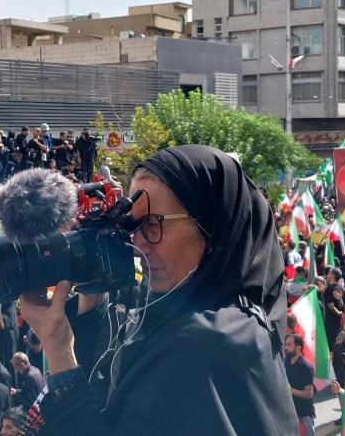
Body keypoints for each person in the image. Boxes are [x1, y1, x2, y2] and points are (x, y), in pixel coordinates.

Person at [15, 145, 296, 433]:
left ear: (213, 226)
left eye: (153, 223)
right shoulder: (185, 320)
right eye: (131, 224)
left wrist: (59, 352)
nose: (137, 245)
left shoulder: (205, 341)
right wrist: (90, 302)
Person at [284, 334, 316, 436]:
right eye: (285, 344)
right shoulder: (286, 361)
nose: (286, 348)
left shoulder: (306, 367)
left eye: (289, 345)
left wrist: (290, 390)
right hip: (289, 411)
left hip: (304, 414)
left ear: (298, 347)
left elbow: (308, 393)